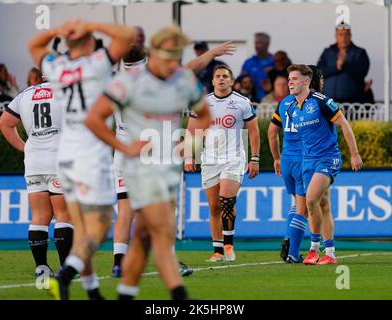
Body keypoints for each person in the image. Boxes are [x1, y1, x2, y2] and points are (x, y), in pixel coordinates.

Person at [85, 25, 211, 300]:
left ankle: (125, 293)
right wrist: (123, 146)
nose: (172, 62)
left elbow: (204, 116)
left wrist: (188, 147)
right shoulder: (125, 82)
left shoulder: (183, 80)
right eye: (167, 55)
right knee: (160, 230)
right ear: (153, 53)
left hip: (166, 165)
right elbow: (93, 119)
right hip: (137, 167)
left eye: (175, 55)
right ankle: (180, 295)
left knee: (143, 236)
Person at [29, 19, 141, 300]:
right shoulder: (97, 64)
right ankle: (65, 276)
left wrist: (59, 31)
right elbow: (127, 35)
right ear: (90, 42)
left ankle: (92, 292)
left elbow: (33, 44)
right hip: (90, 155)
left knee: (81, 229)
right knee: (101, 226)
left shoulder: (56, 68)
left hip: (63, 155)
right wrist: (89, 23)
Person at [286, 64, 363, 265]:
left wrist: (354, 154)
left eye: (294, 78)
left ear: (306, 81)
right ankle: (330, 253)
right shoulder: (293, 108)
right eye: (289, 79)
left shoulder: (321, 101)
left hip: (327, 158)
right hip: (307, 161)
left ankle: (313, 248)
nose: (290, 82)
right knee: (323, 205)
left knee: (310, 199)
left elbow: (344, 125)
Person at [185, 65, 260, 262]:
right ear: (212, 81)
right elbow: (191, 131)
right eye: (217, 76)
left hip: (233, 158)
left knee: (226, 200)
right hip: (209, 160)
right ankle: (218, 251)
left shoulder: (242, 102)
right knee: (214, 207)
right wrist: (189, 156)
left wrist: (255, 158)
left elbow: (253, 131)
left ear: (231, 81)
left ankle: (228, 247)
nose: (221, 79)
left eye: (225, 76)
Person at [0, 82, 73, 276]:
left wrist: (26, 148)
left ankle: (41, 267)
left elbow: (4, 123)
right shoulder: (66, 90)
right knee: (63, 215)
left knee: (39, 216)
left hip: (33, 162)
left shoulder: (25, 94)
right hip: (59, 158)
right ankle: (65, 268)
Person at [267, 65, 330, 263]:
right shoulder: (312, 103)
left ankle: (290, 240)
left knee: (299, 204)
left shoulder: (285, 102)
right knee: (305, 207)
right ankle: (292, 250)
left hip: (286, 159)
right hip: (304, 158)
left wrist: (276, 158)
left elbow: (271, 133)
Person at [317, 22, 370, 103]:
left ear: (350, 35)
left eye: (346, 34)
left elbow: (362, 72)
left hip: (352, 103)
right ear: (336, 36)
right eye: (341, 34)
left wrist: (345, 65)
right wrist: (337, 67)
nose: (344, 38)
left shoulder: (360, 52)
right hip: (329, 102)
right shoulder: (327, 52)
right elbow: (319, 71)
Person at [241, 32, 274, 102]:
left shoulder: (275, 62)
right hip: (252, 102)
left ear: (267, 44)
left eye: (259, 43)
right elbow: (241, 81)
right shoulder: (249, 63)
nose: (256, 46)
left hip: (271, 103)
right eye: (255, 43)